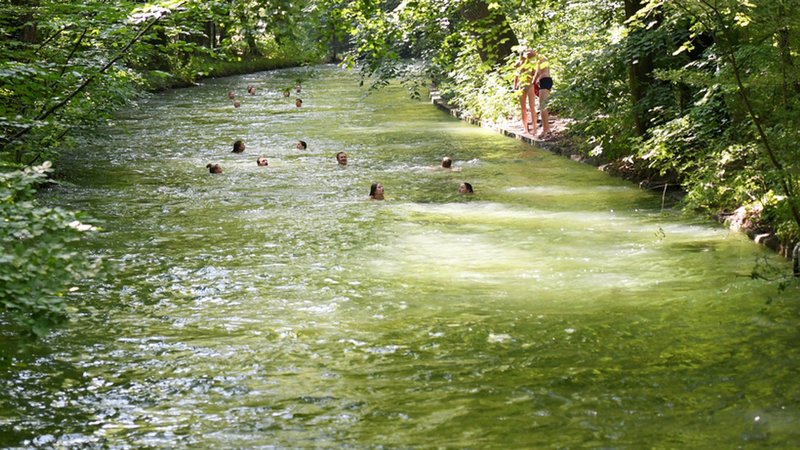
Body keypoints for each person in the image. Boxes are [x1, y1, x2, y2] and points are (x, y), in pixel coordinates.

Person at [513, 48, 538, 135]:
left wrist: (535, 82)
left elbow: (535, 73)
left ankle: (534, 128)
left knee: (532, 107)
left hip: (530, 85)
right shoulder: (518, 64)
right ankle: (525, 129)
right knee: (523, 109)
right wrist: (515, 86)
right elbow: (516, 76)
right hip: (521, 86)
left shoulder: (531, 64)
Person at [532, 50, 553, 138]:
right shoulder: (537, 60)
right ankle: (545, 128)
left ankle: (546, 130)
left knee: (543, 106)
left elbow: (538, 73)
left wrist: (533, 80)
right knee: (542, 107)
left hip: (545, 81)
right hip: (542, 82)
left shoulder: (542, 58)